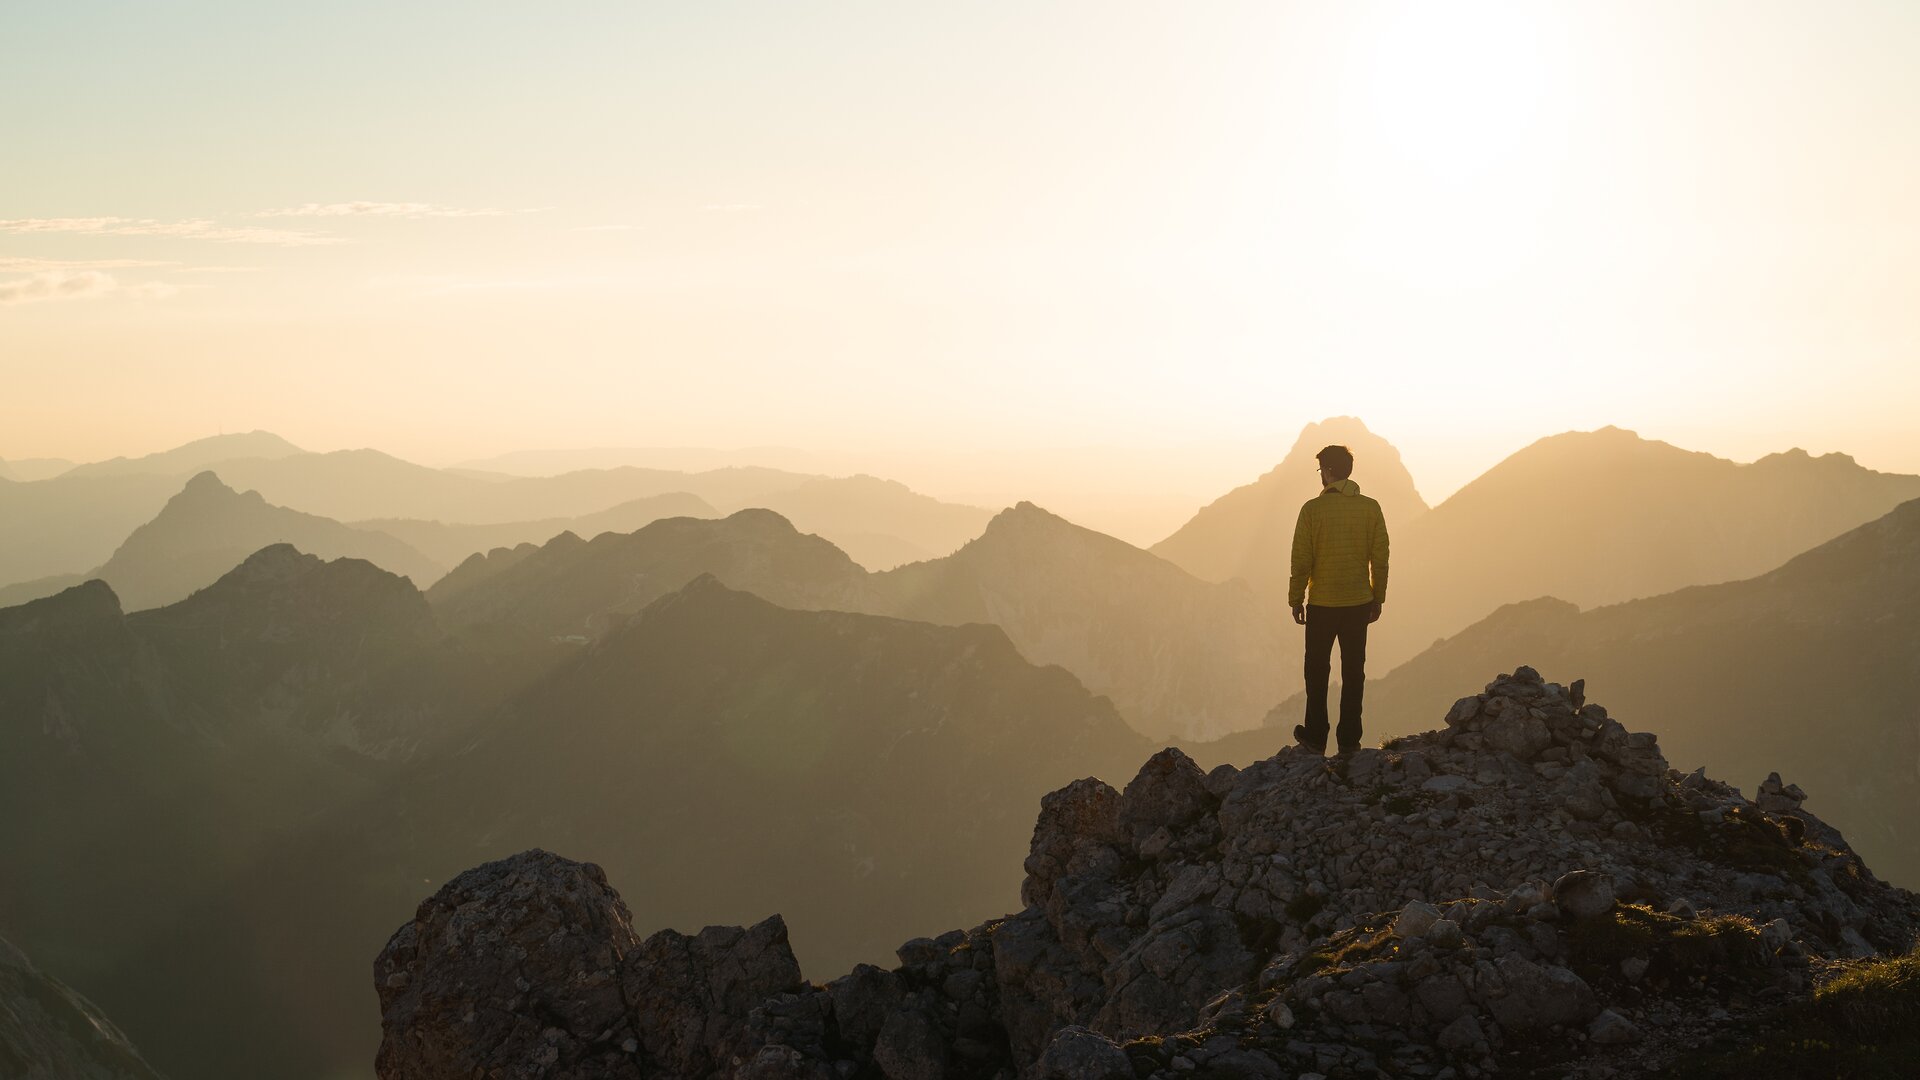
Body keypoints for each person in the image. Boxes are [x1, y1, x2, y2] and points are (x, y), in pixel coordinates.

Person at [1288, 444, 1389, 755]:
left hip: (1322, 604)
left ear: (1329, 472)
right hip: (1358, 602)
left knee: (1316, 671)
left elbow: (1301, 561)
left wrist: (1296, 599)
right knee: (1353, 671)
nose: (1321, 476)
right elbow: (1380, 557)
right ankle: (1349, 742)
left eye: (1321, 470)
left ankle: (1316, 737)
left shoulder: (1311, 510)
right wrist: (1378, 597)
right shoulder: (1371, 508)